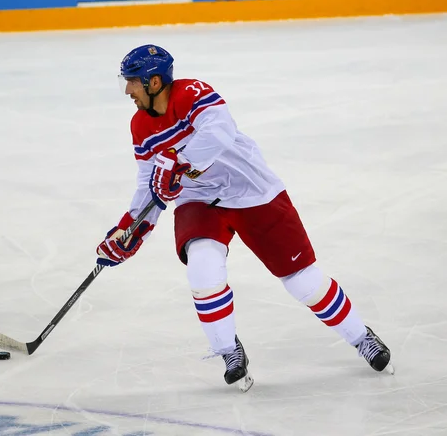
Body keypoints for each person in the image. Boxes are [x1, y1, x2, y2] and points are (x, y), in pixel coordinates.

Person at [96, 44, 393, 391]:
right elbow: (151, 185)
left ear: (155, 82)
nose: (128, 91)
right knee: (203, 269)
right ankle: (228, 351)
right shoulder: (140, 126)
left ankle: (361, 337)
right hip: (199, 199)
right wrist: (129, 230)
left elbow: (219, 131)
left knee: (303, 281)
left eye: (133, 82)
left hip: (251, 189)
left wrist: (179, 160)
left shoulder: (192, 93)